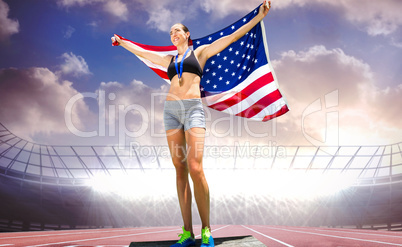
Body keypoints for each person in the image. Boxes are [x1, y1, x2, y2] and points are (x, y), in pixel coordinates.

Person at [112, 1, 271, 246]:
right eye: (170, 32)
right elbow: (142, 52)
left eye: (177, 30)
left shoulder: (200, 52)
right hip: (171, 112)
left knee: (196, 168)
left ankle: (206, 229)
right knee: (179, 169)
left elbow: (230, 37)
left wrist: (257, 18)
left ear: (187, 34)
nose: (173, 34)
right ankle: (187, 232)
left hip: (193, 110)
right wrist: (122, 43)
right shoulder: (168, 59)